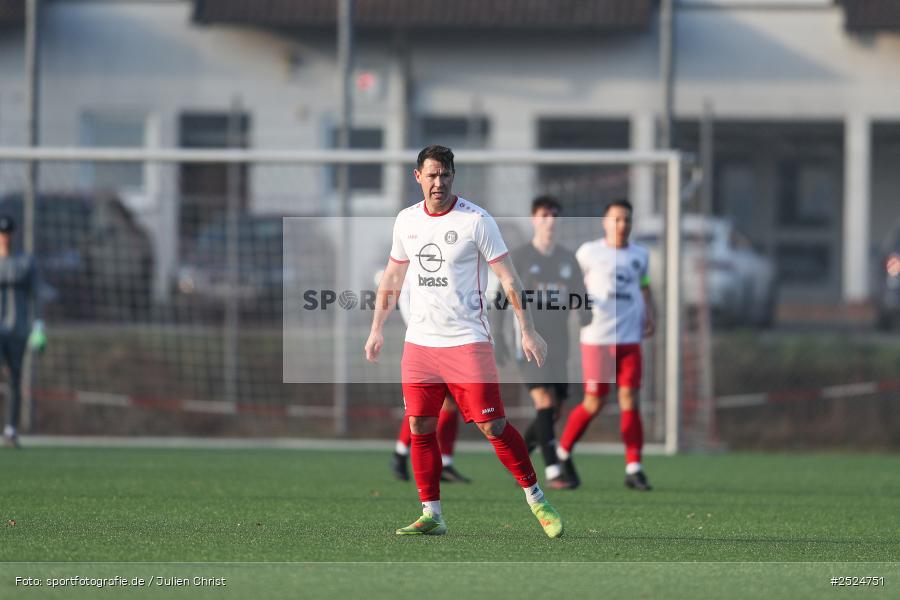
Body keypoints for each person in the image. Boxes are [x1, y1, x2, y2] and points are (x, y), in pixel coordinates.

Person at [365, 145, 563, 538]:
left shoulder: (477, 221)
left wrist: (528, 329)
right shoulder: (405, 221)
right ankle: (431, 513)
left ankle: (536, 497)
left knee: (493, 426)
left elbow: (509, 279)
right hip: (420, 344)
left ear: (453, 177)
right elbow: (391, 278)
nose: (439, 183)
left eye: (446, 175)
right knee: (421, 425)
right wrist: (376, 328)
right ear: (417, 177)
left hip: (467, 342)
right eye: (432, 175)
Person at [555, 199, 656, 490]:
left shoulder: (640, 255)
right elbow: (571, 284)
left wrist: (652, 314)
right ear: (605, 222)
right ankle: (563, 453)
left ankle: (634, 467)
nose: (621, 225)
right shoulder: (588, 252)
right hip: (597, 339)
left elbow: (645, 285)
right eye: (616, 219)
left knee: (629, 400)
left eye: (626, 220)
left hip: (629, 340)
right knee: (594, 401)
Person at [493, 196, 590, 490]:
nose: (550, 220)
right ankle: (553, 471)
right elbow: (501, 296)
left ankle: (519, 454)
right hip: (528, 342)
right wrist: (498, 336)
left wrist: (587, 313)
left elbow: (579, 293)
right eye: (544, 215)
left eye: (555, 215)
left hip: (559, 344)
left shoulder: (566, 258)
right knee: (544, 403)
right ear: (534, 219)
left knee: (555, 410)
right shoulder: (520, 257)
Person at [389, 279, 470, 484]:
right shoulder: (417, 254)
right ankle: (400, 453)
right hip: (425, 340)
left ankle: (446, 462)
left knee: (451, 402)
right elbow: (405, 292)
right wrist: (418, 328)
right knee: (424, 406)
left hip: (453, 339)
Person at [0, 215, 47, 448]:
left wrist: (39, 325)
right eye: (1, 233)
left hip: (17, 330)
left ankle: (10, 429)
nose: (4, 238)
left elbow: (36, 295)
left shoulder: (25, 263)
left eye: (7, 233)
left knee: (15, 379)